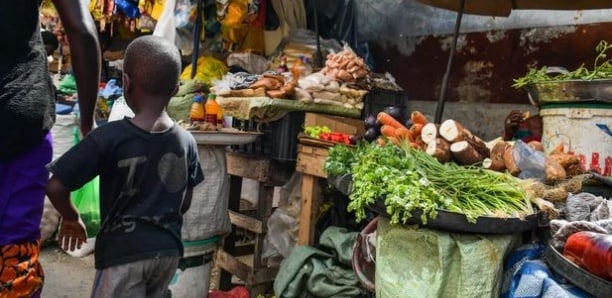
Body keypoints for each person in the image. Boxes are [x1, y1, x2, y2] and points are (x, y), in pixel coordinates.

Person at [46, 35, 205, 297]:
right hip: (167, 252)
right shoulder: (187, 141)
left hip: (123, 254)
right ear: (176, 90)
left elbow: (55, 186)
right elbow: (184, 200)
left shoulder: (109, 137)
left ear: (126, 82)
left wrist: (71, 218)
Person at [0, 1, 100, 296]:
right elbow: (81, 30)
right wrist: (87, 121)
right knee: (14, 250)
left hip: (19, 112)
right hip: (19, 113)